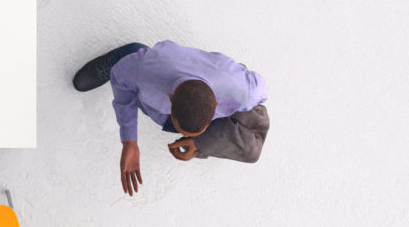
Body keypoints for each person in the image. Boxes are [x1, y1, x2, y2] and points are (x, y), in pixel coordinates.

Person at [70, 40, 270, 195]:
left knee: (252, 152)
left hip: (224, 90)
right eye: (181, 129)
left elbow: (261, 89)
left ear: (216, 105)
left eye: (191, 133)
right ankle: (122, 55)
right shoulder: (144, 69)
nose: (180, 135)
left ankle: (202, 130)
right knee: (131, 75)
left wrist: (201, 143)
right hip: (153, 70)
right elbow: (121, 89)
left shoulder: (245, 92)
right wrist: (129, 140)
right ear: (171, 100)